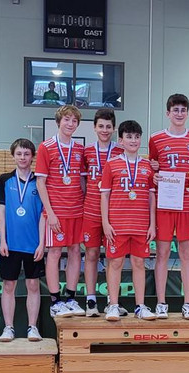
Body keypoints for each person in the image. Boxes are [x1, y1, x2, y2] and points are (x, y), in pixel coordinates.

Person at [149, 93, 189, 320]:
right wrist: (154, 175)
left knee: (186, 254)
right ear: (168, 113)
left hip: (187, 205)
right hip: (164, 204)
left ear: (187, 113)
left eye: (183, 110)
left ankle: (188, 303)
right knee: (162, 253)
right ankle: (161, 303)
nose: (179, 114)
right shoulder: (156, 139)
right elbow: (151, 169)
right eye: (175, 110)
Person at [101, 120, 157, 321]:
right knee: (115, 262)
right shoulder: (111, 164)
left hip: (141, 225)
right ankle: (113, 305)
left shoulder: (147, 166)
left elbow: (151, 196)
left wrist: (152, 224)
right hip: (117, 224)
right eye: (129, 137)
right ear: (121, 140)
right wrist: (106, 223)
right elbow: (105, 195)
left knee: (139, 263)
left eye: (137, 137)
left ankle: (140, 306)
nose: (133, 140)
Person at [36, 105, 86, 318]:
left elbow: (82, 182)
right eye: (67, 119)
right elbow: (40, 182)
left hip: (77, 211)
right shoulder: (46, 147)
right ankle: (55, 301)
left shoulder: (80, 149)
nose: (70, 124)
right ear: (58, 122)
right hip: (56, 211)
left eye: (74, 120)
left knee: (75, 251)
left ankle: (71, 298)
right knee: (55, 253)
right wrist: (50, 212)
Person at [0, 139, 45, 342]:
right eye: (19, 154)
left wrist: (42, 243)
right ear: (13, 156)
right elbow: (1, 211)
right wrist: (2, 240)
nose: (23, 157)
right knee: (9, 285)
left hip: (33, 244)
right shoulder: (4, 180)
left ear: (32, 157)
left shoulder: (40, 180)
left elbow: (43, 214)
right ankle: (9, 327)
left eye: (26, 154)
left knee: (33, 284)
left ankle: (32, 327)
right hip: (11, 244)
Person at [81, 108, 123, 316]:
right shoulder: (87, 152)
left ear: (114, 129)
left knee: (113, 257)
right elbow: (82, 181)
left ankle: (111, 301)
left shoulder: (121, 151)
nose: (104, 130)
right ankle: (90, 300)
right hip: (91, 212)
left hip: (114, 214)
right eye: (101, 126)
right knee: (91, 254)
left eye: (108, 126)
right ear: (94, 128)